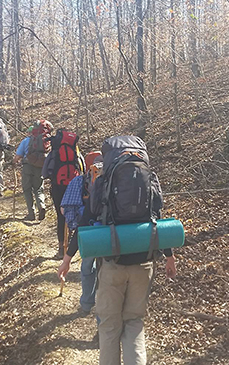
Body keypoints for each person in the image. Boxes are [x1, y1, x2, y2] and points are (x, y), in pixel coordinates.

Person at [58, 135, 177, 365]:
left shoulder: (103, 181)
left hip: (112, 264)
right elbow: (157, 218)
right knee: (134, 324)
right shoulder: (149, 178)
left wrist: (67, 258)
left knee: (110, 327)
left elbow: (85, 221)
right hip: (144, 263)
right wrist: (169, 257)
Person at [60, 152, 103, 313]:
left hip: (87, 231)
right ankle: (101, 306)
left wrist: (74, 225)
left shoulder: (79, 181)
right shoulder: (115, 181)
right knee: (104, 270)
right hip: (110, 230)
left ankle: (86, 303)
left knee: (87, 267)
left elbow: (65, 208)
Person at [42, 128, 85, 258]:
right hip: (74, 186)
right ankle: (72, 244)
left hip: (58, 186)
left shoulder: (54, 153)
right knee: (74, 213)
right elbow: (83, 167)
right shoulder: (75, 152)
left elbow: (44, 172)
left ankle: (61, 248)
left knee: (60, 216)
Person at [13, 121, 53, 221]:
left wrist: (13, 162)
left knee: (27, 190)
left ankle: (31, 213)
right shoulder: (46, 141)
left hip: (28, 166)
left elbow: (18, 156)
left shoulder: (26, 141)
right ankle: (41, 205)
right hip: (40, 166)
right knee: (38, 188)